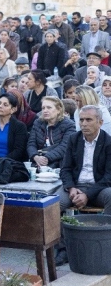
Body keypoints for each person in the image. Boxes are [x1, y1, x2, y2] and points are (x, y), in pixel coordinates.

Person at [55, 105, 111, 265]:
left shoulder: (108, 142)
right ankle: (63, 248)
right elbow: (65, 169)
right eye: (81, 120)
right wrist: (71, 188)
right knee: (53, 204)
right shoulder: (74, 139)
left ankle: (103, 243)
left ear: (100, 122)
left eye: (88, 120)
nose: (84, 124)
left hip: (99, 187)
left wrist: (87, 195)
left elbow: (109, 176)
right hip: (75, 185)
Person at [27, 97, 76, 169]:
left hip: (60, 162)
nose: (45, 111)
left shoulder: (69, 124)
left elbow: (65, 146)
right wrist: (35, 156)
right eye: (43, 108)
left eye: (49, 108)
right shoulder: (38, 122)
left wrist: (46, 158)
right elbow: (31, 143)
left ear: (59, 110)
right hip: (38, 160)